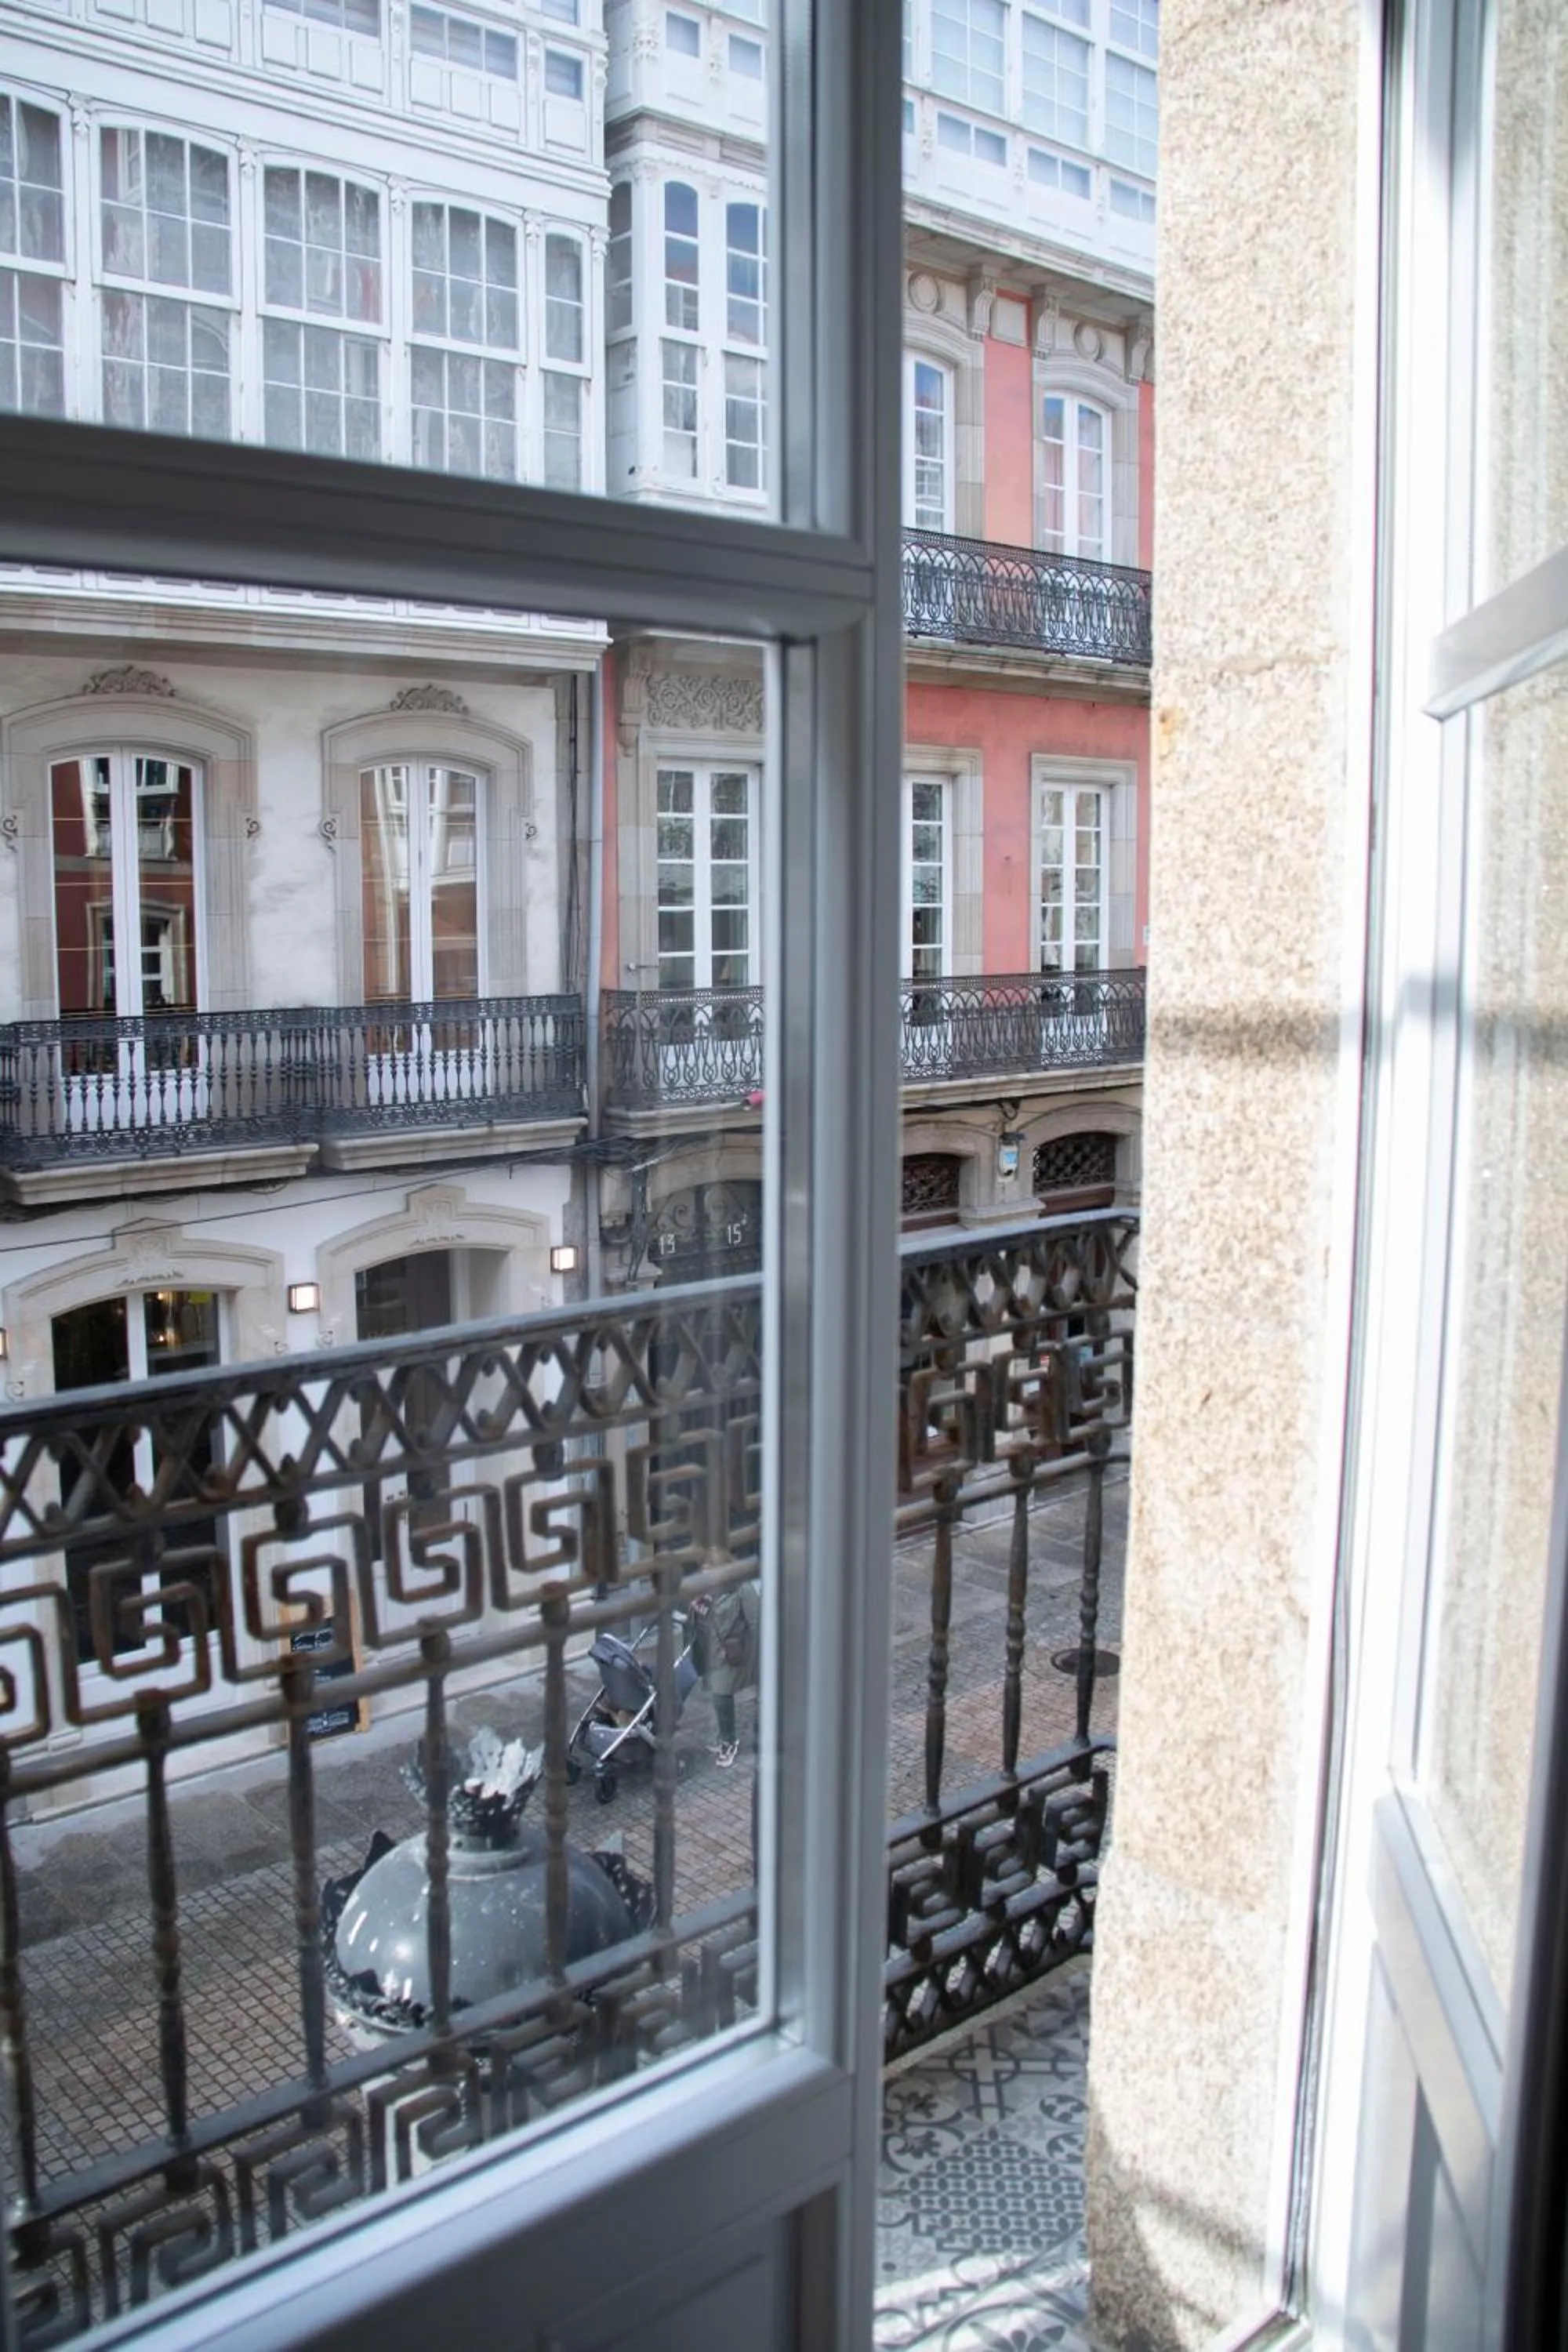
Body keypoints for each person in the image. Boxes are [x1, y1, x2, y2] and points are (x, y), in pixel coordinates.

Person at [690, 1558, 760, 1769]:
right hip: (710, 1650)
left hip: (733, 1651)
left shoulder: (742, 1588)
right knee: (718, 1695)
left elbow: (756, 1622)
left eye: (709, 1568)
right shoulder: (706, 1589)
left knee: (721, 1695)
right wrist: (694, 1607)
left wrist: (752, 1653)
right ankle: (723, 1736)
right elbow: (697, 1618)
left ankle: (729, 1742)